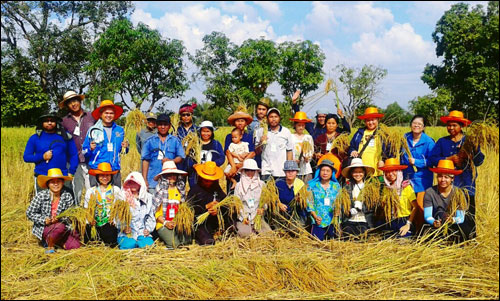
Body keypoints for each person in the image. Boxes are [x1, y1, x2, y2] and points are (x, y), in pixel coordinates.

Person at [429, 110, 484, 219]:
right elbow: (432, 159)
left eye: (454, 125)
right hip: (447, 185)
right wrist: (449, 159)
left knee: (468, 213)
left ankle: (469, 236)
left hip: (467, 183)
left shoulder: (470, 140)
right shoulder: (442, 142)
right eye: (449, 125)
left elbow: (479, 161)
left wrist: (469, 155)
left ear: (461, 126)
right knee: (449, 213)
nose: (451, 128)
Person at [26, 168, 80, 254]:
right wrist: (44, 220)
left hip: (63, 227)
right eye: (52, 182)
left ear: (62, 183)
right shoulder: (41, 196)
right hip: (45, 227)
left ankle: (57, 241)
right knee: (59, 227)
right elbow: (29, 213)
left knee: (75, 246)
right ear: (48, 184)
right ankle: (49, 244)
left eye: (58, 181)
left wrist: (61, 219)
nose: (56, 184)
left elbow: (71, 214)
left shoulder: (67, 196)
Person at [24, 111, 78, 194]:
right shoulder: (34, 138)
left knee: (68, 204)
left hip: (63, 176)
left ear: (56, 122)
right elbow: (26, 157)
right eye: (46, 121)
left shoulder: (65, 136)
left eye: (52, 120)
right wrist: (42, 156)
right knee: (43, 203)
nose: (49, 123)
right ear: (41, 123)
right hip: (42, 176)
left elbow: (73, 154)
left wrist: (71, 172)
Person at [423, 159, 475, 242]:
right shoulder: (430, 192)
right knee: (425, 232)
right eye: (440, 176)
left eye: (446, 177)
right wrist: (434, 222)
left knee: (465, 230)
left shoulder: (459, 193)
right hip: (437, 222)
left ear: (452, 179)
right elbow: (427, 215)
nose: (443, 180)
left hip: (453, 224)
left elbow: (461, 217)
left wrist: (452, 220)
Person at [82, 99, 129, 187]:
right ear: (101, 114)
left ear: (114, 115)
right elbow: (84, 151)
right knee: (96, 198)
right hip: (97, 169)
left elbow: (122, 151)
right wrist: (90, 149)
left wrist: (126, 147)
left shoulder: (120, 130)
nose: (109, 115)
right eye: (106, 113)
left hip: (114, 169)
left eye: (111, 113)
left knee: (115, 197)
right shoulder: (93, 130)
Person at [60, 90, 96, 205]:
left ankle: (92, 217)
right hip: (73, 162)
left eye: (75, 100)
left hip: (91, 160)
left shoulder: (92, 117)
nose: (73, 104)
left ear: (80, 101)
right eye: (70, 102)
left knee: (92, 190)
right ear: (67, 105)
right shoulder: (64, 121)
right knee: (76, 191)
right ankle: (77, 217)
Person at [400, 115, 435, 233]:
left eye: (420, 124)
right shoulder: (404, 138)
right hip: (407, 178)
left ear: (423, 127)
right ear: (411, 125)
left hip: (422, 180)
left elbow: (433, 161)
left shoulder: (429, 142)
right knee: (408, 206)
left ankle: (420, 233)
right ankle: (408, 229)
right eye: (414, 123)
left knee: (420, 207)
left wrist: (417, 162)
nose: (416, 125)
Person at [188, 161, 231, 245]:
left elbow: (225, 202)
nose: (208, 182)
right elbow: (189, 209)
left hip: (214, 222)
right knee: (208, 242)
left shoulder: (216, 188)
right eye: (206, 180)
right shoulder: (194, 190)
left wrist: (218, 208)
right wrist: (205, 207)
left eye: (210, 180)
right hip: (200, 224)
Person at [141, 113, 185, 194]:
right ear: (156, 125)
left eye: (165, 124)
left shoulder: (175, 141)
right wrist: (144, 180)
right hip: (152, 182)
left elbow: (181, 157)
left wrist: (171, 161)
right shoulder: (149, 141)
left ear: (169, 126)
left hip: (171, 182)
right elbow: (145, 161)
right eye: (160, 124)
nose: (163, 127)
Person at [83, 162, 124, 247]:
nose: (105, 178)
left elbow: (121, 208)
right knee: (88, 236)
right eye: (102, 175)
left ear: (111, 176)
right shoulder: (91, 191)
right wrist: (90, 220)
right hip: (95, 223)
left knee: (109, 234)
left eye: (107, 175)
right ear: (97, 176)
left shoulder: (115, 190)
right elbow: (87, 209)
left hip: (109, 223)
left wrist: (115, 220)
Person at [153, 161, 191, 249]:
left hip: (177, 223)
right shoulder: (160, 190)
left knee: (187, 240)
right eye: (169, 175)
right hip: (163, 223)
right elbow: (156, 212)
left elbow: (182, 208)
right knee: (175, 244)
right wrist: (166, 223)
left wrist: (180, 221)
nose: (172, 177)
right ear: (164, 176)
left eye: (174, 174)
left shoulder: (180, 189)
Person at [378, 158, 418, 238]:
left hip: (404, 219)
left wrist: (408, 224)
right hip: (391, 220)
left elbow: (415, 207)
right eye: (388, 172)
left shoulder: (406, 187)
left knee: (402, 239)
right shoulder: (386, 189)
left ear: (398, 172)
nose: (391, 174)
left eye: (394, 170)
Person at [117, 172, 155, 250]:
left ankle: (140, 241)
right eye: (130, 183)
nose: (133, 185)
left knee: (148, 245)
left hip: (141, 231)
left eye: (135, 183)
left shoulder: (148, 198)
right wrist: (123, 227)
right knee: (128, 245)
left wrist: (148, 229)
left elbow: (150, 216)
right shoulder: (122, 198)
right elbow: (117, 216)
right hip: (128, 232)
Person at [254, 108, 294, 181]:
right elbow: (257, 152)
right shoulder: (261, 131)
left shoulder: (286, 132)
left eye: (276, 117)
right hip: (266, 170)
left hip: (281, 171)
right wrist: (260, 142)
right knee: (267, 191)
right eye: (271, 117)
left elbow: (289, 151)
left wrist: (289, 169)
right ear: (267, 118)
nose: (273, 119)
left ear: (279, 118)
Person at [234, 159, 271, 237]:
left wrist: (263, 209)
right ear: (243, 171)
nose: (250, 173)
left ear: (256, 171)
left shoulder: (261, 184)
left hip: (257, 216)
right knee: (245, 234)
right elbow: (237, 204)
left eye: (252, 170)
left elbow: (265, 201)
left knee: (268, 234)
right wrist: (243, 216)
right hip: (244, 217)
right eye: (247, 170)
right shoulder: (239, 185)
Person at [340, 158, 376, 238]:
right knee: (348, 238)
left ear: (364, 172)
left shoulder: (369, 187)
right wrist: (349, 210)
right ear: (351, 173)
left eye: (360, 172)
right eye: (355, 172)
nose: (358, 174)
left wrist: (362, 207)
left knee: (362, 238)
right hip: (350, 220)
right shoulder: (346, 186)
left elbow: (373, 206)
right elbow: (342, 203)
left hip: (364, 220)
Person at [306, 159, 342, 241]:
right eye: (323, 170)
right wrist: (315, 217)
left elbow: (339, 201)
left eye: (327, 171)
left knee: (335, 241)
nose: (325, 173)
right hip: (318, 220)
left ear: (331, 173)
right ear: (319, 171)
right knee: (317, 242)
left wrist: (337, 211)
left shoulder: (336, 186)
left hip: (332, 220)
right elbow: (309, 203)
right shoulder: (312, 186)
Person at [185, 120, 225, 188]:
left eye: (208, 131)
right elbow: (188, 157)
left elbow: (222, 158)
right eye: (203, 131)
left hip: (211, 174)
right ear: (200, 132)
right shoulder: (194, 143)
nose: (205, 134)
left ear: (212, 132)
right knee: (196, 193)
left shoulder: (216, 144)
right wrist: (193, 165)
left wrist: (213, 164)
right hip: (195, 175)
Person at [348, 107, 386, 178]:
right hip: (361, 172)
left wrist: (384, 160)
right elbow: (351, 147)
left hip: (378, 171)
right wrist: (352, 151)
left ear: (378, 120)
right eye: (368, 120)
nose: (370, 122)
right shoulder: (359, 133)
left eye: (373, 120)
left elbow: (390, 151)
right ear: (365, 121)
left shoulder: (383, 133)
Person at [224, 109, 256, 191]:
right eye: (237, 121)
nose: (240, 123)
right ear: (234, 123)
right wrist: (234, 167)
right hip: (232, 166)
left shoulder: (249, 136)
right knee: (231, 192)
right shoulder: (229, 136)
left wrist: (242, 164)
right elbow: (228, 152)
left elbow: (252, 153)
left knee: (245, 191)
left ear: (246, 123)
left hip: (245, 168)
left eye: (242, 121)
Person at [275, 160, 308, 231]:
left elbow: (305, 204)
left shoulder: (300, 184)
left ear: (297, 172)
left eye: (293, 171)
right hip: (281, 214)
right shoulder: (278, 183)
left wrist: (300, 201)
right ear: (284, 172)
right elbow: (272, 199)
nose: (290, 173)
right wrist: (278, 204)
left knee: (295, 231)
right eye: (288, 171)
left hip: (296, 215)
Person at [289, 112, 314, 182]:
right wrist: (292, 160)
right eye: (299, 125)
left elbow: (311, 151)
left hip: (306, 169)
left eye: (303, 125)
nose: (301, 127)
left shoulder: (308, 138)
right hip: (293, 168)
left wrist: (307, 158)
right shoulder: (291, 137)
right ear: (295, 125)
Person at [248, 97, 270, 168]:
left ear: (267, 110)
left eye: (263, 109)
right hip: (254, 155)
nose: (261, 111)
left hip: (268, 155)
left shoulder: (270, 123)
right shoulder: (251, 123)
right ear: (256, 109)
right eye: (259, 109)